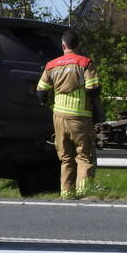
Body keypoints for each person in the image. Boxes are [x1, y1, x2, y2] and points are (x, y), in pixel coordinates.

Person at [36, 29, 100, 198]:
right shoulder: (85, 63)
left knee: (65, 158)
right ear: (77, 45)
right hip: (80, 117)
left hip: (58, 116)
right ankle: (84, 194)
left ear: (63, 45)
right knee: (84, 157)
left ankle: (66, 194)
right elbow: (93, 89)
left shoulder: (51, 65)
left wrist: (52, 104)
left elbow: (41, 93)